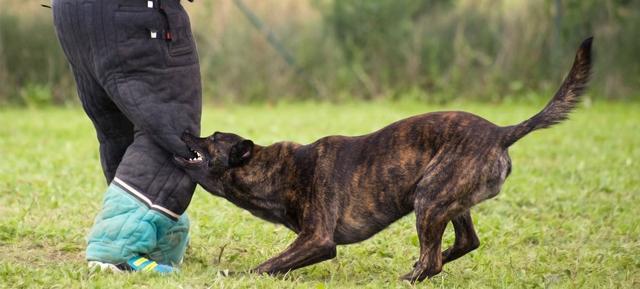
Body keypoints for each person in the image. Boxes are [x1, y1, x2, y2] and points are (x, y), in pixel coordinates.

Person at [52, 0, 201, 273]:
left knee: (119, 129)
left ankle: (156, 239)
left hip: (71, 15)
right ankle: (119, 248)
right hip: (135, 13)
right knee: (172, 130)